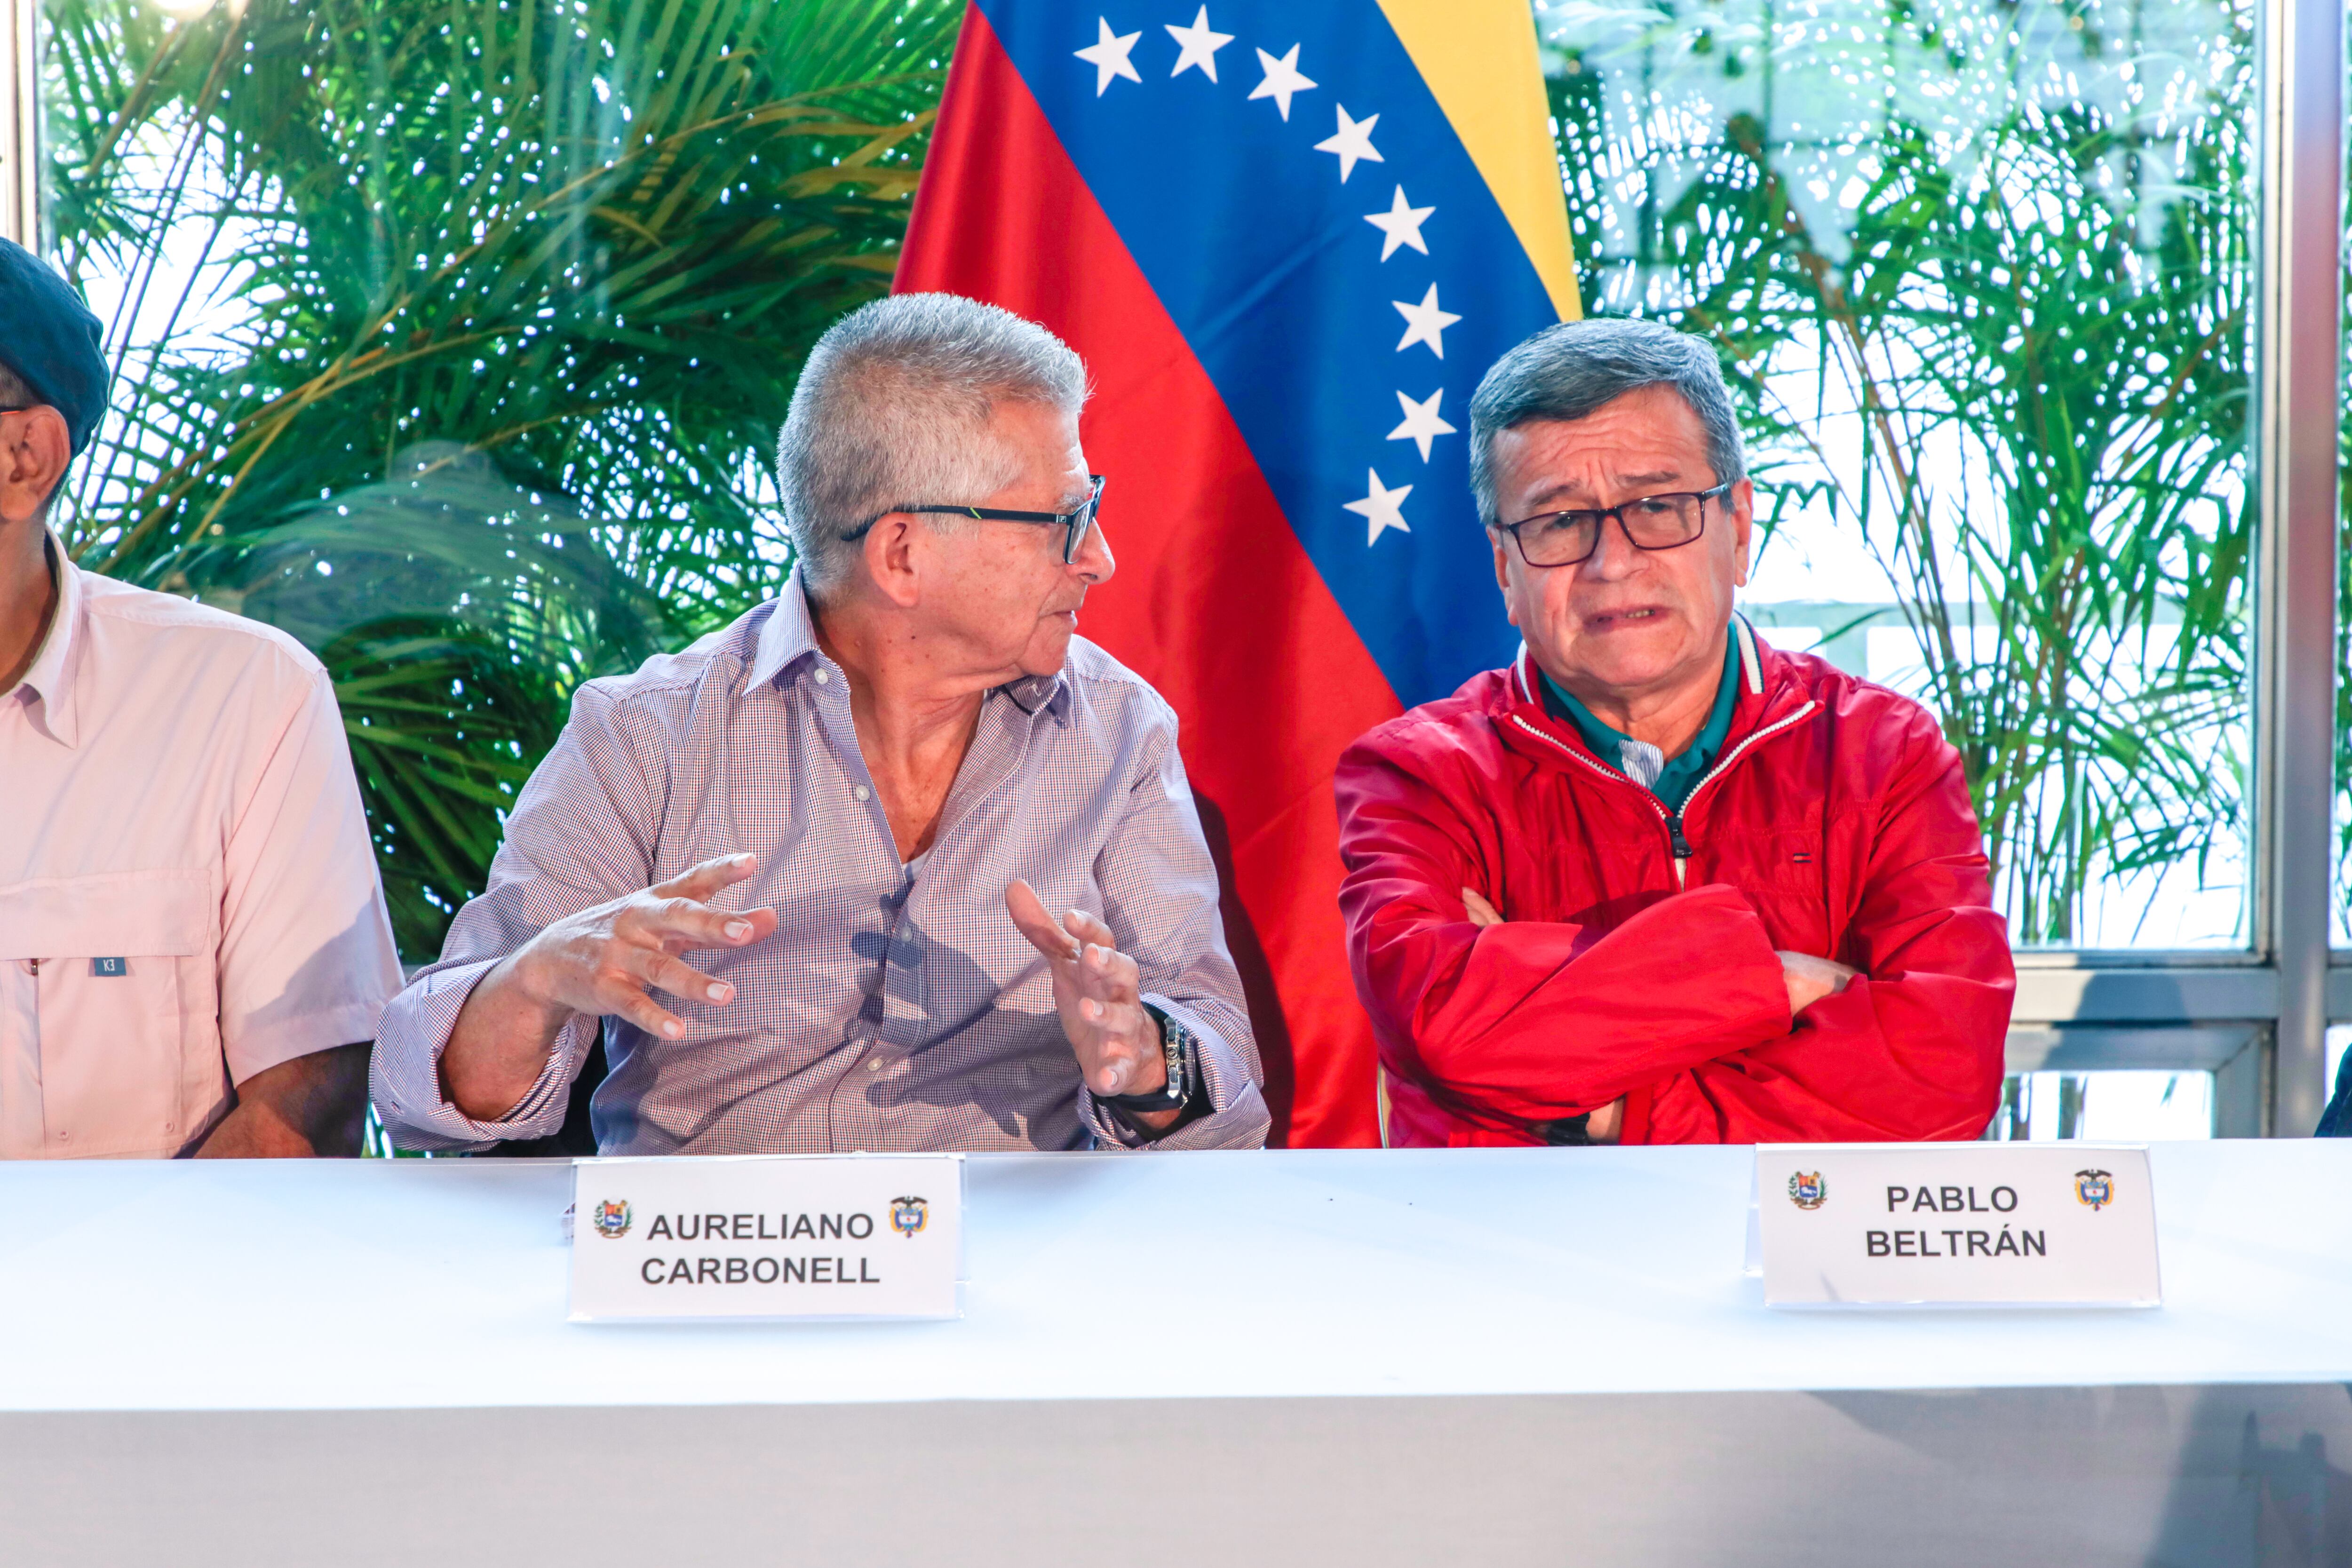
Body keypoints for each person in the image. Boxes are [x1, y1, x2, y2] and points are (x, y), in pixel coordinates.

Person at [372, 294, 1268, 1154]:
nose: (1100, 559)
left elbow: (1224, 1078)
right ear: (903, 555)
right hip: (711, 1268)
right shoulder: (645, 735)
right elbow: (428, 1097)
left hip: (1012, 1265)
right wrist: (534, 982)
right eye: (1066, 522)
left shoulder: (1118, 731)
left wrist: (1149, 1057)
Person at [1334, 318, 2014, 1147]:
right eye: (1557, 523)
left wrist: (1611, 1111)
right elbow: (1444, 1033)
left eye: (1657, 506)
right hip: (1514, 1264)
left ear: (1739, 524)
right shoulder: (1416, 775)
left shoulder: (1884, 752)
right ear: (1505, 570)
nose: (1611, 562)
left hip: (1804, 1263)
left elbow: (1943, 1075)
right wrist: (1768, 978)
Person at [0, 238, 403, 1158]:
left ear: (26, 456)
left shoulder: (244, 702)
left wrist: (93, 1300)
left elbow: (306, 1109)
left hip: (144, 1297)